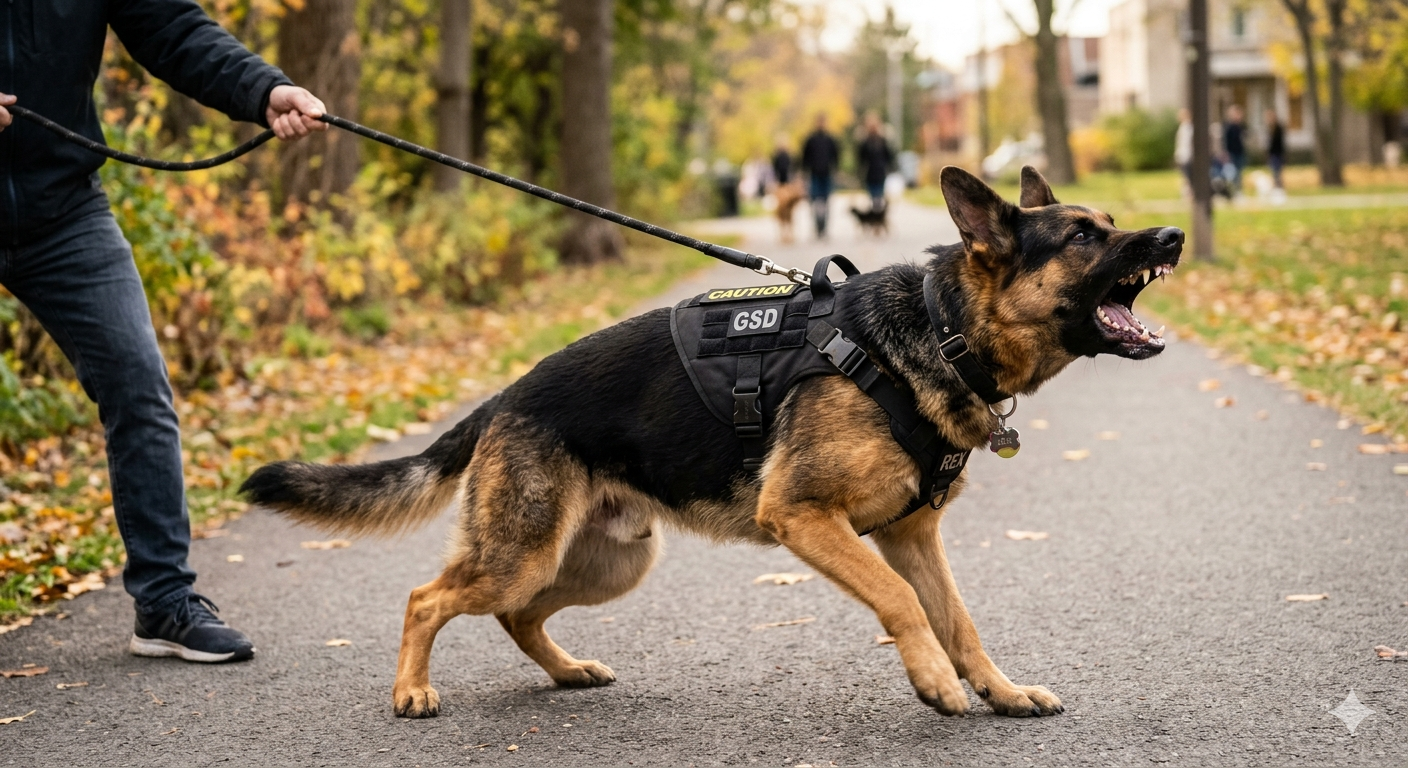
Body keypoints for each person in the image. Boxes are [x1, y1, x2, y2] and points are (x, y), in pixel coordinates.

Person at [0, 0, 327, 663]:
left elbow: (171, 28)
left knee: (138, 385)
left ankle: (164, 603)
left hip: (61, 210)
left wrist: (264, 89)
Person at [800, 113, 840, 239]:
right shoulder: (810, 139)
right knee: (815, 203)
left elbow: (835, 156)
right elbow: (804, 158)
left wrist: (835, 170)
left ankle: (824, 229)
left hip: (826, 174)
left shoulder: (830, 139)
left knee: (826, 203)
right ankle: (817, 227)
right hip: (814, 175)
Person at [855, 112, 894, 209]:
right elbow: (861, 158)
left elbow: (889, 156)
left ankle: (877, 214)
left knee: (879, 195)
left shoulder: (882, 141)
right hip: (869, 172)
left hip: (880, 172)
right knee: (873, 196)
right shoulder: (865, 142)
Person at [1223, 104, 1246, 193]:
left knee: (1239, 172)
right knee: (1232, 172)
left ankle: (1238, 189)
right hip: (1232, 153)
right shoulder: (1229, 127)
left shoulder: (1240, 126)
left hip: (1239, 152)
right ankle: (1233, 190)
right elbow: (1226, 141)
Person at [1174, 107, 1194, 196]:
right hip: (1184, 155)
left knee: (1188, 176)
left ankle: (1189, 194)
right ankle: (1188, 194)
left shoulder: (1188, 128)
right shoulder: (1184, 127)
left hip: (1187, 155)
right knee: (1186, 176)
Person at [1264, 108, 1286, 189]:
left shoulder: (1278, 128)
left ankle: (1279, 187)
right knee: (1274, 172)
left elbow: (1280, 143)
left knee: (1278, 172)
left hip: (1278, 153)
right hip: (1272, 154)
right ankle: (1276, 187)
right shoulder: (1269, 129)